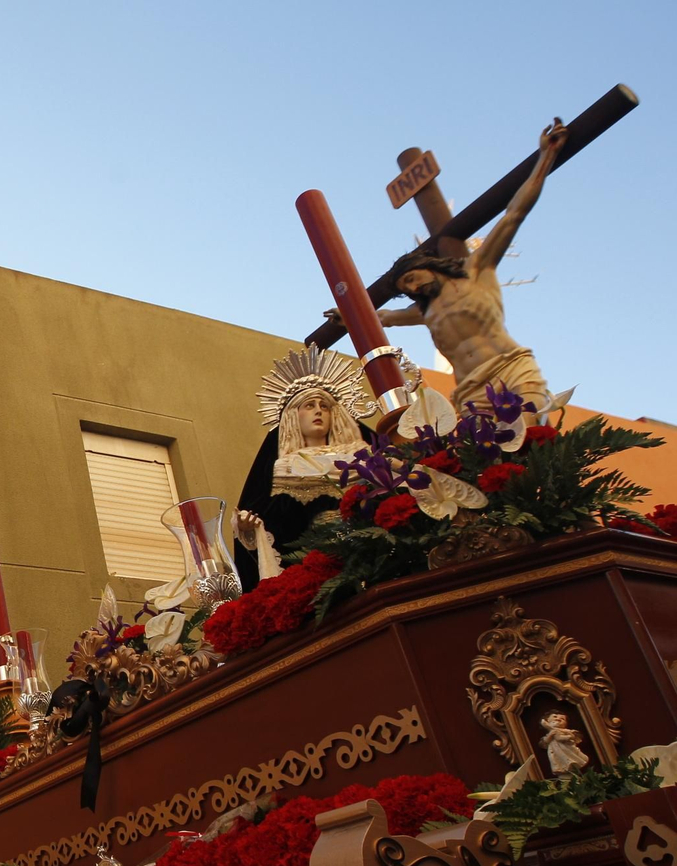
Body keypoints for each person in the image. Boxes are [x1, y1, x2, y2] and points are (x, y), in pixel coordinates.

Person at [343, 119, 569, 415]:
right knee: (479, 445)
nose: (414, 287)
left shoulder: (477, 271)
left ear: (429, 265)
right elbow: (380, 318)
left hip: (511, 368)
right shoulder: (425, 310)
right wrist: (346, 315)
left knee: (530, 425)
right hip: (470, 389)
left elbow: (514, 214)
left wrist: (546, 157)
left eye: (412, 278)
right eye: (407, 288)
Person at [233, 346, 375, 589]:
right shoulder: (285, 468)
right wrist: (249, 529)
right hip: (317, 570)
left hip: (371, 554)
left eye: (324, 406)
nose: (318, 410)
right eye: (309, 405)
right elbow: (274, 528)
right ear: (293, 416)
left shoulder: (362, 456)